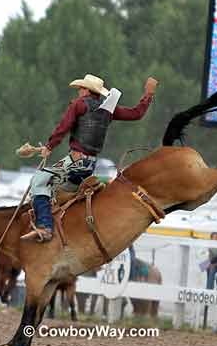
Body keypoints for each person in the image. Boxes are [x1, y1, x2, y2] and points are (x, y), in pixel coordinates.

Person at [22, 74, 157, 242]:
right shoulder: (108, 109)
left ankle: (45, 226)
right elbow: (136, 114)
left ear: (86, 90)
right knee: (58, 191)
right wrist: (148, 95)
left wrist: (49, 146)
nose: (79, 91)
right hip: (90, 166)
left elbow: (63, 127)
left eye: (80, 88)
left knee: (39, 181)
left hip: (74, 162)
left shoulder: (78, 104)